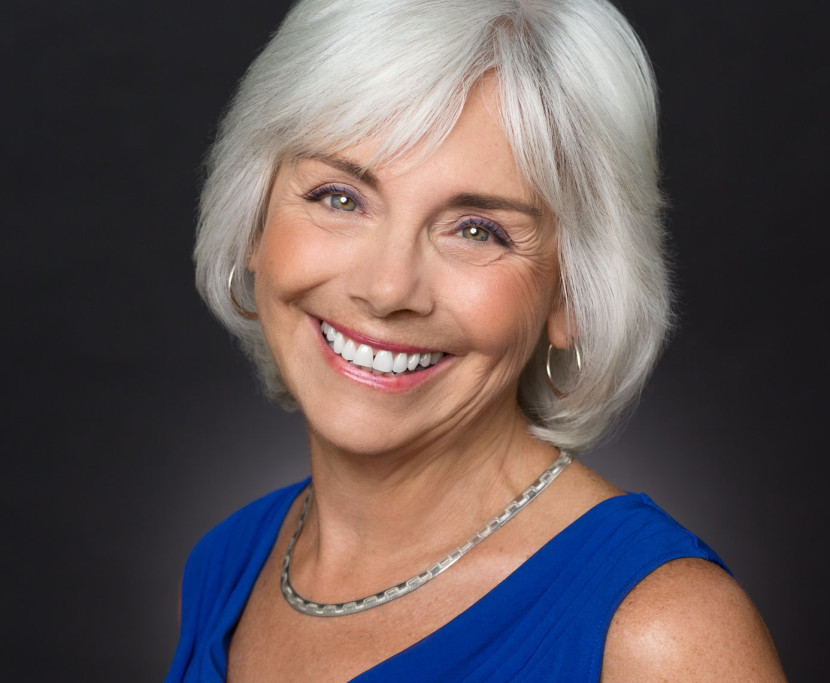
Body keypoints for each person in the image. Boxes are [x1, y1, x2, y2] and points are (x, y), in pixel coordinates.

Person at [167, 0, 786, 680]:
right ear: (255, 220)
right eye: (340, 197)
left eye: (476, 230)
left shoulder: (659, 633)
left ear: (572, 294)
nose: (386, 287)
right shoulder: (224, 567)